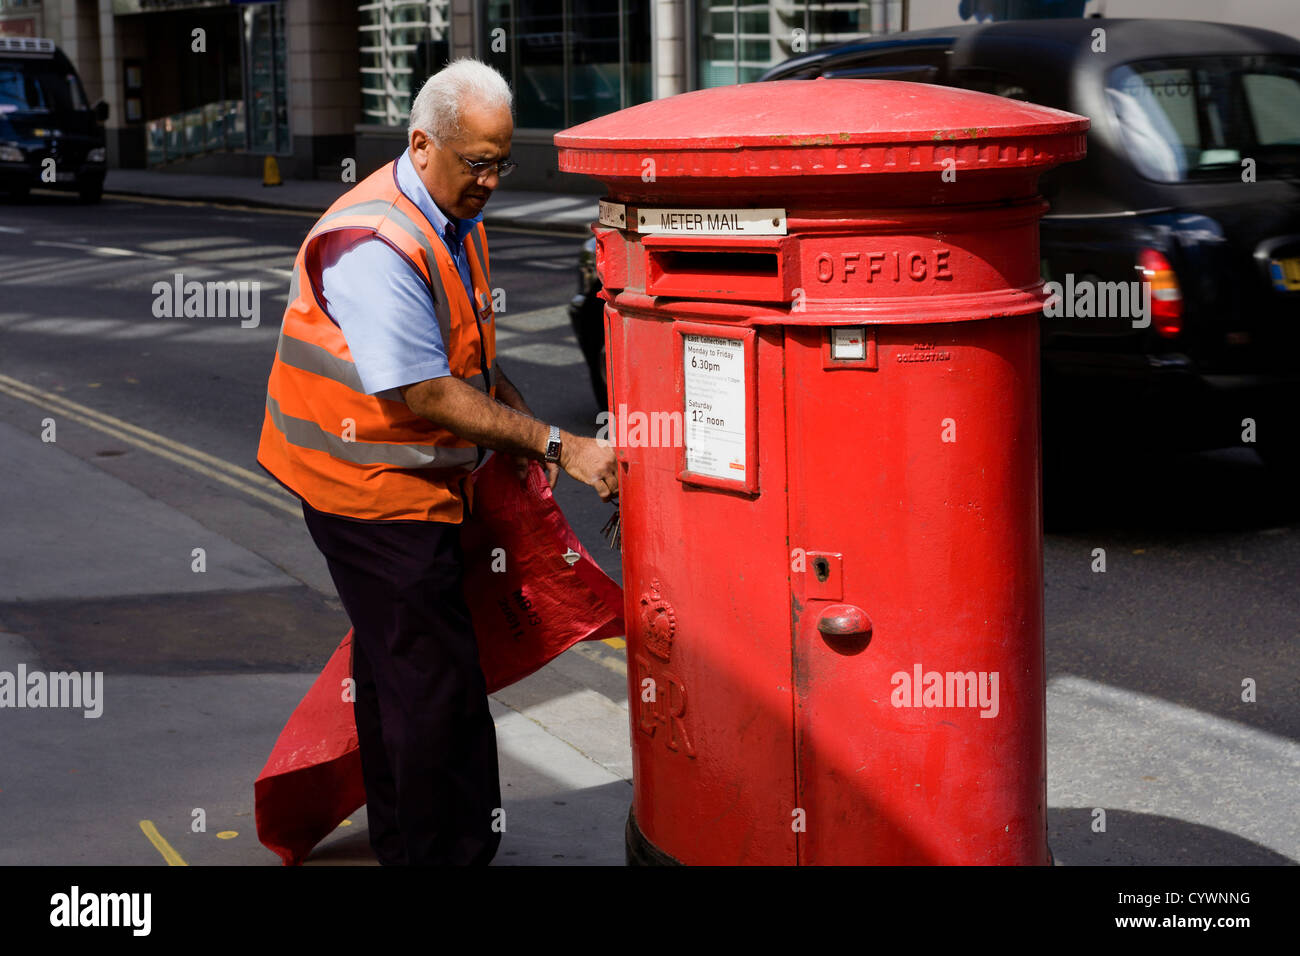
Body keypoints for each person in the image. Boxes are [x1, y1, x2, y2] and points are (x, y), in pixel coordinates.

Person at [256, 58, 618, 866]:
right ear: (423, 146)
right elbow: (427, 392)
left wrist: (515, 410)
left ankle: (410, 841)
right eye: (477, 162)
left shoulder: (451, 214)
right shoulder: (377, 243)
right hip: (369, 492)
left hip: (404, 481)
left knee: (399, 672)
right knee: (434, 685)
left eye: (501, 160)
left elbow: (466, 350)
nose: (491, 180)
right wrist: (561, 444)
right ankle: (438, 853)